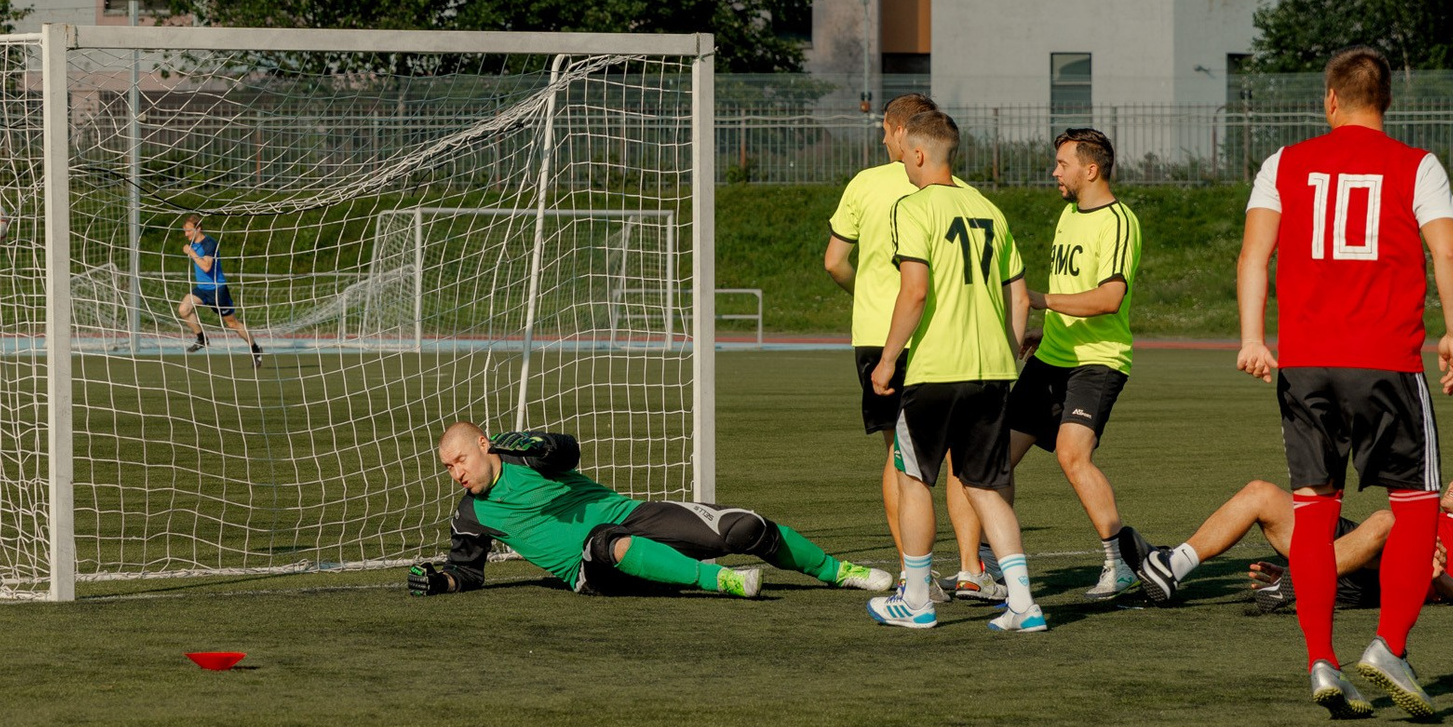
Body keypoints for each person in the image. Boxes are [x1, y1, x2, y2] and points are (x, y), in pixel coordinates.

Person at [1232, 47, 1453, 720]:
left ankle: (1319, 656)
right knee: (1418, 501)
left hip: (1305, 365)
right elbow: (1446, 251)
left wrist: (1253, 337)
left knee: (1313, 506)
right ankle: (1389, 645)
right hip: (1386, 361)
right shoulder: (1416, 165)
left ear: (1329, 100)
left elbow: (1254, 253)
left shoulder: (1283, 163)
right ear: (1386, 103)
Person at [866, 110, 1047, 632]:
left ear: (919, 154)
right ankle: (1023, 603)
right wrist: (1009, 350)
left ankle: (917, 599)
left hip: (935, 369)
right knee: (986, 486)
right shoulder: (990, 209)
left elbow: (915, 290)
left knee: (913, 478)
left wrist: (888, 359)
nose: (899, 157)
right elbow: (1019, 295)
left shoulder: (913, 207)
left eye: (903, 151)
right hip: (991, 370)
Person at [824, 93, 997, 603]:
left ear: (904, 131)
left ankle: (912, 575)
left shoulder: (865, 183)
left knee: (899, 457)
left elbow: (835, 262)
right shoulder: (958, 190)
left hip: (880, 336)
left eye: (884, 128)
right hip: (940, 338)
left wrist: (870, 297)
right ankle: (969, 568)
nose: (881, 138)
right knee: (957, 460)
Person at [407, 423, 892, 599]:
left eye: (461, 460)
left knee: (745, 527)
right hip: (591, 568)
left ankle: (839, 571)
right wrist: (439, 580)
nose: (457, 474)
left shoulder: (523, 453)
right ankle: (720, 582)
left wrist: (546, 441)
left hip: (631, 513)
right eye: (448, 468)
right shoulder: (470, 515)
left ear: (483, 444)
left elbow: (568, 454)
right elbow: (465, 572)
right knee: (604, 544)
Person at [1007, 128, 1145, 600]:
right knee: (992, 460)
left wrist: (1039, 301)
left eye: (1062, 163)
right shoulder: (1068, 215)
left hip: (1098, 362)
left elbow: (1109, 298)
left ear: (1091, 169)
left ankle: (1120, 564)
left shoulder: (1119, 221)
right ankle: (984, 566)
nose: (1054, 172)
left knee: (1072, 455)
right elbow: (1077, 289)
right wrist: (1047, 330)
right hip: (1051, 357)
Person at [1118, 458, 1453, 610]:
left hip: (1385, 581)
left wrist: (1437, 576)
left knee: (1388, 520)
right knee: (1262, 493)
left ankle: (1304, 579)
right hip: (1355, 555)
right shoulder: (1423, 508)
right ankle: (1171, 568)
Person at [178, 213, 262, 366]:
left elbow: (206, 266)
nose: (186, 234)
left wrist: (191, 253)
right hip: (202, 290)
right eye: (184, 231)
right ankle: (202, 339)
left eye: (188, 230)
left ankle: (255, 348)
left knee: (232, 324)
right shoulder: (193, 244)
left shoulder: (209, 243)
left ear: (198, 229)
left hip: (217, 290)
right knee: (184, 309)